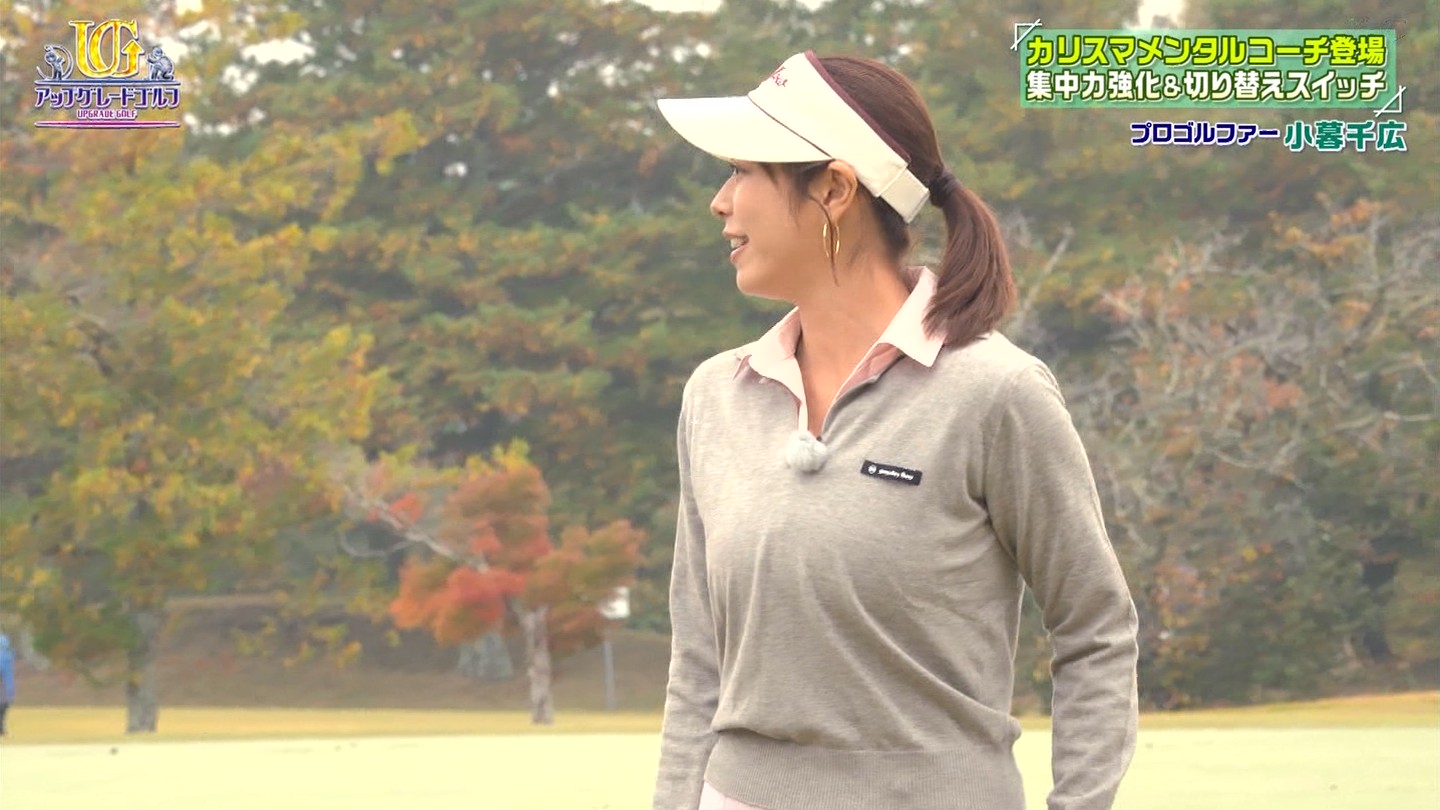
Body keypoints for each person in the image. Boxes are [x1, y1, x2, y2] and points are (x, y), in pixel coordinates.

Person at [650, 51, 1139, 810]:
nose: (720, 202)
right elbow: (698, 660)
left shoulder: (996, 392)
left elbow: (1095, 630)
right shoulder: (716, 395)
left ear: (834, 190)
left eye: (743, 171)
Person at [0, 631, 15, 737]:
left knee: (4, 704)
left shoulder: (6, 653)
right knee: (4, 704)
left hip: (5, 681)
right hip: (5, 681)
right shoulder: (7, 654)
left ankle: (1, 728)